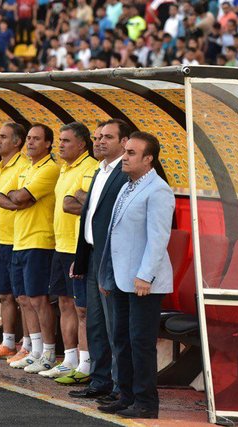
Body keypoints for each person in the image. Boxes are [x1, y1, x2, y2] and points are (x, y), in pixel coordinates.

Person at [96, 132, 175, 419]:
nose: (125, 157)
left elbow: (158, 238)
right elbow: (115, 234)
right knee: (121, 339)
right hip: (120, 279)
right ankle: (125, 395)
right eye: (125, 151)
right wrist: (107, 275)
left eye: (131, 153)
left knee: (141, 343)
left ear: (148, 158)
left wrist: (145, 276)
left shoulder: (158, 191)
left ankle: (145, 403)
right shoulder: (127, 187)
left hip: (144, 284)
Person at [69, 119, 130, 402]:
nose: (99, 141)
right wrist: (81, 259)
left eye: (107, 137)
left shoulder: (126, 172)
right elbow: (88, 217)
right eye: (97, 137)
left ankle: (120, 386)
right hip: (93, 256)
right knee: (94, 323)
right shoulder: (100, 170)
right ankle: (100, 380)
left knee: (113, 325)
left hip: (113, 258)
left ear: (124, 141)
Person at [0, 123, 60, 374]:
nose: (31, 143)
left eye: (36, 139)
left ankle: (48, 352)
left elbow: (19, 198)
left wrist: (17, 198)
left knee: (38, 299)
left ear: (48, 144)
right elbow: (1, 197)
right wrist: (17, 197)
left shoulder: (50, 168)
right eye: (29, 138)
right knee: (24, 298)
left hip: (39, 240)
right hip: (19, 240)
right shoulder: (28, 168)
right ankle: (34, 350)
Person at [41, 122, 98, 382]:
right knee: (64, 303)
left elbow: (84, 204)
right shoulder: (64, 168)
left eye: (66, 141)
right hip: (60, 246)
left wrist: (75, 199)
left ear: (82, 144)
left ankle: (86, 363)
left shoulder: (89, 167)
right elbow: (68, 202)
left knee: (81, 308)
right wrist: (73, 199)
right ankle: (70, 358)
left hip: (78, 247)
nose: (60, 145)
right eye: (60, 140)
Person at [0, 123, 30, 361]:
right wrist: (7, 199)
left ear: (17, 142)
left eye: (3, 137)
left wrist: (7, 199)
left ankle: (28, 345)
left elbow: (21, 201)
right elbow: (5, 199)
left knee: (24, 298)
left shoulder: (24, 166)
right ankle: (8, 342)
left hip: (19, 240)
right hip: (1, 241)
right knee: (5, 295)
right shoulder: (3, 167)